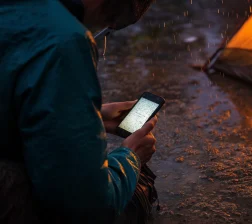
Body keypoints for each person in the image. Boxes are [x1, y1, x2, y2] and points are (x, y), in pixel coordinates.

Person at [0, 0, 156, 223]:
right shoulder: (63, 39)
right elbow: (88, 205)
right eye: (115, 20)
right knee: (136, 191)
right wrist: (132, 156)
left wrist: (92, 116)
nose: (107, 28)